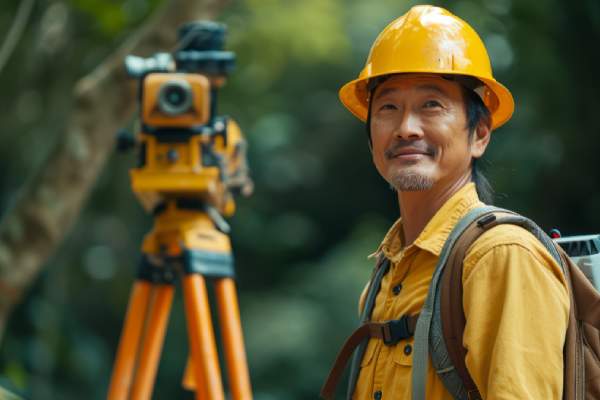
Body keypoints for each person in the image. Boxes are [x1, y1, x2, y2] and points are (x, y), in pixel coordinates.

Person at [335, 5, 569, 399]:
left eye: (431, 105)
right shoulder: (386, 275)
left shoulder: (500, 257)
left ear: (479, 133)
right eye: (388, 108)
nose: (406, 128)